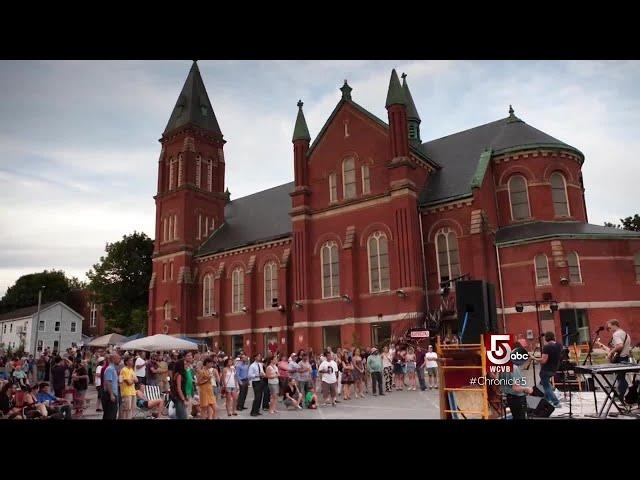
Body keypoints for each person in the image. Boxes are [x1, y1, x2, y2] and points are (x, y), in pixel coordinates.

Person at [497, 345, 534, 420]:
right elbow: (515, 388)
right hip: (517, 398)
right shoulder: (514, 368)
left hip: (510, 398)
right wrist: (527, 389)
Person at [535, 331, 563, 409]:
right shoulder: (559, 345)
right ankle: (546, 401)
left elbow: (544, 360)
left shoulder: (547, 347)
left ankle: (556, 402)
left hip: (546, 370)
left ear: (546, 338)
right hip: (554, 369)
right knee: (545, 384)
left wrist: (535, 359)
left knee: (546, 386)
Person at [606, 319, 632, 400]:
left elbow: (620, 345)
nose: (609, 329)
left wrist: (610, 353)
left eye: (609, 328)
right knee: (621, 377)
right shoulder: (625, 334)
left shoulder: (616, 334)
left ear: (614, 325)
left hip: (620, 358)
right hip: (625, 357)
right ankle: (624, 396)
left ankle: (622, 396)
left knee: (620, 378)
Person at [102, 352, 121, 420]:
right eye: (118, 358)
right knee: (110, 415)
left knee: (112, 414)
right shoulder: (110, 369)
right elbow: (108, 382)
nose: (120, 360)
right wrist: (111, 394)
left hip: (113, 393)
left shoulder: (113, 369)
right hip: (110, 394)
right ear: (113, 359)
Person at [119, 355, 137, 420]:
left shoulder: (131, 369)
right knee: (126, 409)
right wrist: (133, 379)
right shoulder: (124, 370)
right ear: (126, 362)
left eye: (132, 360)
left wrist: (132, 380)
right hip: (126, 392)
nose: (132, 362)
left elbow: (137, 380)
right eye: (130, 360)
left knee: (132, 408)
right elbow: (129, 383)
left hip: (133, 391)